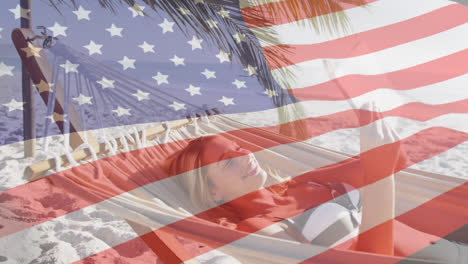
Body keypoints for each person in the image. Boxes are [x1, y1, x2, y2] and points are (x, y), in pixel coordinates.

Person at [167, 135, 467, 263]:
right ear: (213, 192)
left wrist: (368, 118)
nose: (243, 155)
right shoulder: (258, 228)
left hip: (453, 245)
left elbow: (394, 157)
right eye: (226, 162)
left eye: (237, 147)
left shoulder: (303, 183)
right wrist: (381, 178)